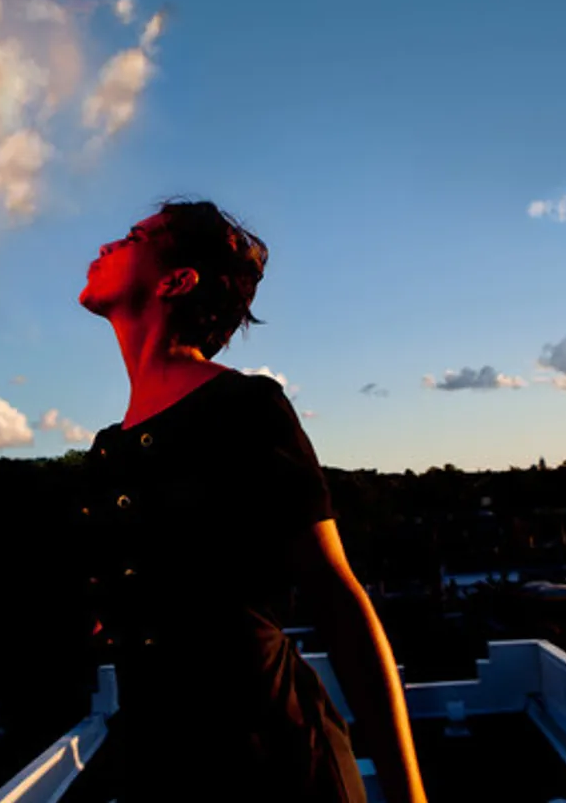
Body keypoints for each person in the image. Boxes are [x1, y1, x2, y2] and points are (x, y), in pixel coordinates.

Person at [78, 200, 427, 803]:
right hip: (166, 767)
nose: (108, 245)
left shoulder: (244, 409)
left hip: (279, 762)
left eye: (135, 237)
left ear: (176, 280)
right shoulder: (110, 450)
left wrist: (408, 793)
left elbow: (337, 599)